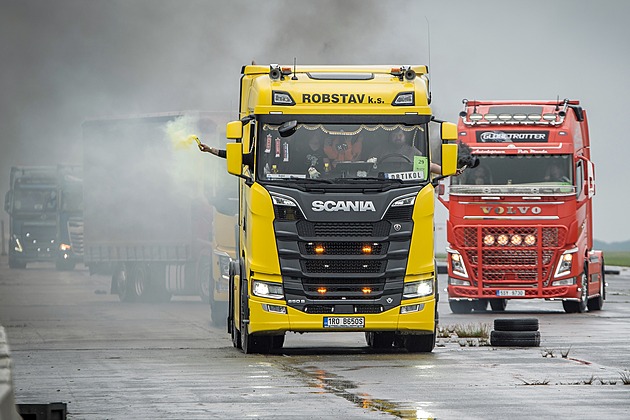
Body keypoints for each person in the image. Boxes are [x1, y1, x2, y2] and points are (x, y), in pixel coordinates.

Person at [371, 128, 441, 174]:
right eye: (394, 135)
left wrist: (448, 171)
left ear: (405, 136)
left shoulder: (414, 152)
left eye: (400, 135)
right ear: (390, 137)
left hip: (408, 185)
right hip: (382, 183)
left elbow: (429, 166)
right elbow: (369, 164)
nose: (398, 137)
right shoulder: (380, 150)